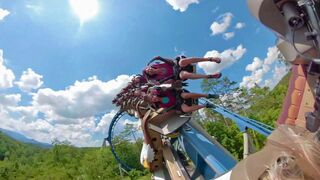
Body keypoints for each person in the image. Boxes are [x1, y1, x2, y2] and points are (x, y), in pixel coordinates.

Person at [143, 56, 222, 83]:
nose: (149, 70)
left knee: (182, 62)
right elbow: (171, 81)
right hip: (177, 74)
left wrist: (161, 58)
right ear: (151, 75)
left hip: (176, 64)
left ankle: (210, 59)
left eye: (148, 69)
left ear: (150, 67)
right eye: (148, 72)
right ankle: (209, 76)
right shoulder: (158, 78)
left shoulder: (157, 64)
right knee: (184, 75)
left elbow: (171, 61)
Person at [147, 88, 218, 113]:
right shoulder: (161, 105)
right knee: (185, 110)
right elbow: (169, 109)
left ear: (154, 94)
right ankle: (205, 105)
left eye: (153, 96)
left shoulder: (162, 93)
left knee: (185, 95)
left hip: (178, 95)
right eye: (152, 100)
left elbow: (166, 88)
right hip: (178, 104)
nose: (154, 98)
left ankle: (208, 95)